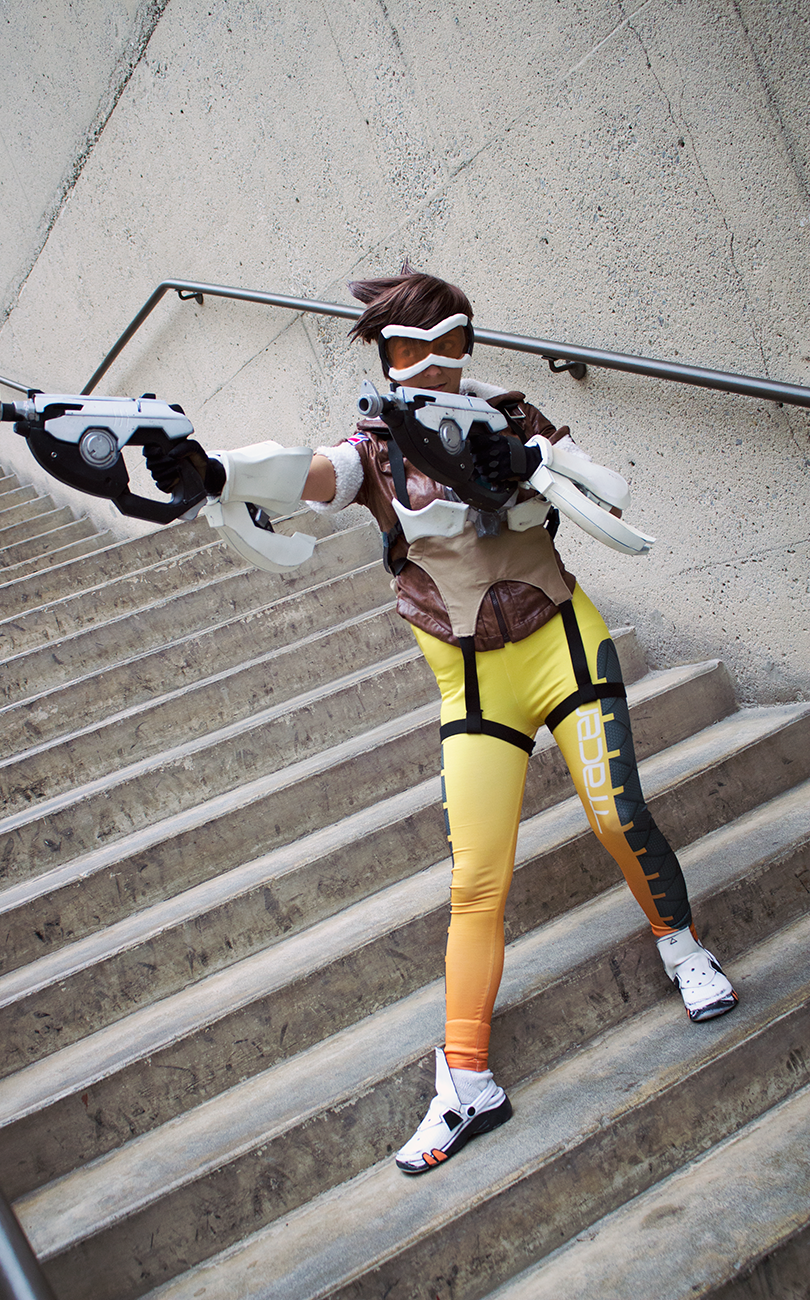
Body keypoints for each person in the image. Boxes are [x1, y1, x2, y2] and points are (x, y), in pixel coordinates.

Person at [143, 267, 738, 1176]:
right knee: (475, 882)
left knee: (617, 816)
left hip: (560, 645)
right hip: (471, 686)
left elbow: (607, 499)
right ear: (383, 357)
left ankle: (680, 945)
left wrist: (528, 465)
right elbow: (310, 474)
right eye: (406, 348)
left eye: (449, 342)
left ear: (468, 343)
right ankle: (466, 1081)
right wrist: (214, 471)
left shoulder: (512, 415)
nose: (429, 364)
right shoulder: (375, 447)